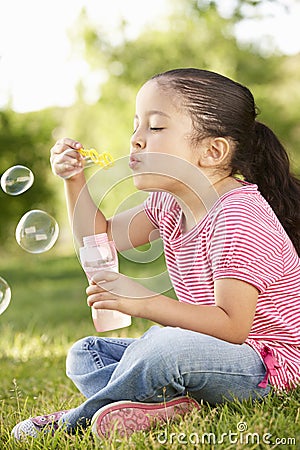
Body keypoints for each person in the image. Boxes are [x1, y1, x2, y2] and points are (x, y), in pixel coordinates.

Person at [12, 68, 300, 441]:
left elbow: (232, 326)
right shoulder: (168, 203)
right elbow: (98, 237)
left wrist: (143, 300)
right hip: (208, 353)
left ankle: (77, 420)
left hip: (264, 367)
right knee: (86, 352)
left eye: (155, 127)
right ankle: (166, 405)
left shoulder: (238, 216)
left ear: (212, 151)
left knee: (165, 346)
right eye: (136, 126)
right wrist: (74, 180)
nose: (135, 141)